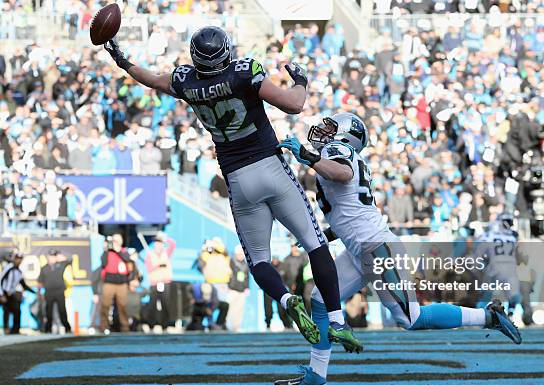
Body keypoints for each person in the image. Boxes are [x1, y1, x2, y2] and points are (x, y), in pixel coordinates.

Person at [103, 27, 359, 349]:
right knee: (315, 245)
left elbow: (153, 79)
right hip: (270, 165)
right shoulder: (243, 73)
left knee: (259, 260)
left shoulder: (187, 81)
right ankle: (336, 320)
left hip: (237, 178)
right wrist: (301, 80)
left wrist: (122, 62)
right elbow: (294, 105)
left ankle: (284, 299)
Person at [276, 112, 522, 385]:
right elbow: (351, 209)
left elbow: (341, 173)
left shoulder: (337, 150)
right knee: (320, 302)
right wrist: (328, 233)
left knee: (410, 319)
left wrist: (307, 155)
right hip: (360, 249)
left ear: (347, 135)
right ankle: (316, 376)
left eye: (332, 126)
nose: (323, 129)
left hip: (377, 248)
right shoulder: (339, 153)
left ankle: (488, 317)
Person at [99, 234, 134, 333]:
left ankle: (125, 327)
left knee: (123, 305)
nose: (115, 242)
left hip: (121, 282)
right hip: (109, 282)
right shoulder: (108, 252)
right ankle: (104, 326)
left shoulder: (123, 252)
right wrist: (106, 250)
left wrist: (117, 250)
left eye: (117, 240)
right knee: (105, 305)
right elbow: (103, 263)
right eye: (114, 240)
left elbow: (127, 259)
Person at [144, 232, 176, 330]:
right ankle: (151, 324)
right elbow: (149, 268)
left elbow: (173, 244)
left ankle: (165, 324)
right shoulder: (150, 255)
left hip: (165, 282)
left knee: (165, 303)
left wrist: (165, 238)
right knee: (152, 304)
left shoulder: (166, 253)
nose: (158, 245)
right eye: (157, 243)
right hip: (155, 283)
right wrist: (158, 265)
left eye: (160, 243)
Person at [0, 252, 36, 334]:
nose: (18, 261)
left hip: (11, 294)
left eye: (20, 259)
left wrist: (34, 292)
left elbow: (23, 285)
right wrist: (1, 294)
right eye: (17, 259)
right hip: (4, 293)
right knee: (7, 310)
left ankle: (15, 330)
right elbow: (0, 281)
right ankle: (6, 328)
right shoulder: (8, 268)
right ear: (14, 259)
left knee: (17, 311)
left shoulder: (19, 271)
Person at [38, 249, 72, 333]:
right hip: (49, 292)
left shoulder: (61, 264)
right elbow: (40, 282)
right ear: (47, 257)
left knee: (62, 311)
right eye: (51, 256)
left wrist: (61, 257)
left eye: (54, 256)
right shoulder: (44, 268)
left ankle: (67, 328)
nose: (52, 258)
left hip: (59, 291)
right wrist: (39, 292)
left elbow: (71, 260)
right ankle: (48, 329)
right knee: (48, 311)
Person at [226, 245, 249, 331]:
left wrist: (247, 287)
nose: (240, 256)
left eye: (241, 254)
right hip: (232, 289)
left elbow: (247, 277)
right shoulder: (231, 262)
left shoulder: (245, 265)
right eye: (238, 254)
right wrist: (227, 285)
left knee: (239, 310)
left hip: (241, 290)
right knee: (229, 308)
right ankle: (226, 325)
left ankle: (236, 326)